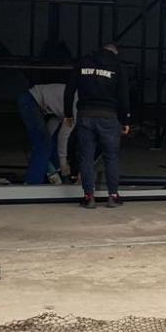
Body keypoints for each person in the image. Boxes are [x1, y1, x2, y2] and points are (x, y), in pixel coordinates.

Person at [64, 41, 131, 209]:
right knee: (111, 157)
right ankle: (113, 196)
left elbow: (69, 89)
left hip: (85, 115)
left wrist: (68, 114)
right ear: (114, 53)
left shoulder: (83, 62)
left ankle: (89, 197)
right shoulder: (118, 66)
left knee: (86, 157)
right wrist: (125, 120)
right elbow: (124, 96)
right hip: (108, 116)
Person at [15, 81, 73, 186]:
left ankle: (49, 176)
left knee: (46, 144)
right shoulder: (78, 108)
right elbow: (63, 137)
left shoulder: (75, 99)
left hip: (30, 99)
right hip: (31, 101)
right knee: (44, 146)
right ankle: (32, 184)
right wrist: (64, 166)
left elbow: (54, 123)